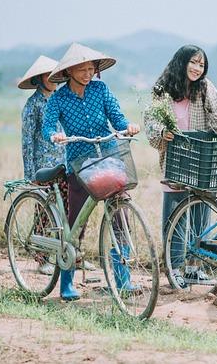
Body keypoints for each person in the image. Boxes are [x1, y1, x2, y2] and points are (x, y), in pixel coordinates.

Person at [144, 44, 217, 285]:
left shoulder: (205, 88)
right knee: (174, 216)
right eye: (193, 62)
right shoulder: (162, 90)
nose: (197, 68)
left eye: (201, 64)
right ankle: (174, 266)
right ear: (181, 62)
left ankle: (194, 266)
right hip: (176, 159)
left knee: (200, 213)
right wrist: (162, 132)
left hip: (202, 158)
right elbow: (150, 120)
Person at [42, 42, 140, 301]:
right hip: (79, 162)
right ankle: (67, 282)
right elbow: (48, 125)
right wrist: (55, 136)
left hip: (108, 156)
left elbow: (116, 117)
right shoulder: (59, 98)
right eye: (82, 69)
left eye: (91, 68)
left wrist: (127, 126)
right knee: (76, 223)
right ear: (70, 71)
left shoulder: (101, 89)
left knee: (120, 215)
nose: (88, 74)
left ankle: (123, 279)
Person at [18, 55, 69, 275]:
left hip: (63, 163)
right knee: (44, 211)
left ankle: (64, 254)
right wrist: (30, 173)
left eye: (55, 76)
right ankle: (41, 258)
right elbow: (27, 141)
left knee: (65, 211)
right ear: (39, 78)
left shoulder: (59, 100)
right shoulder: (33, 104)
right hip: (43, 166)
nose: (53, 80)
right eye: (48, 76)